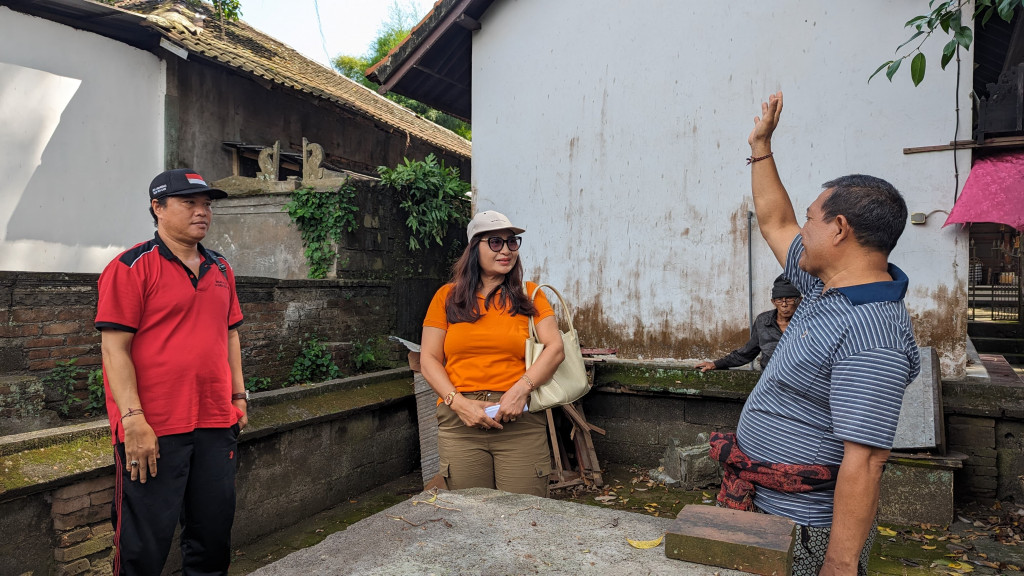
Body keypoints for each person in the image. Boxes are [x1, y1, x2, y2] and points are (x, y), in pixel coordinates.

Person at [718, 92, 921, 576]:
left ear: (840, 229)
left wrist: (840, 563)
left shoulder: (874, 332)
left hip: (805, 528)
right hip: (763, 503)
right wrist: (761, 145)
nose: (802, 228)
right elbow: (774, 221)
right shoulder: (823, 287)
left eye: (812, 218)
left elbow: (867, 460)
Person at [96, 168, 247, 575]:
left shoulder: (221, 269)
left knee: (213, 538)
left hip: (216, 423)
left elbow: (229, 335)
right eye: (189, 203)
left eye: (206, 204)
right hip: (154, 428)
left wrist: (238, 396)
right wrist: (133, 420)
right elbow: (114, 348)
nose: (202, 212)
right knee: (143, 546)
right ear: (157, 207)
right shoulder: (131, 267)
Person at [420, 210, 565, 497]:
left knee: (524, 514)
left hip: (518, 421)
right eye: (496, 242)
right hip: (460, 423)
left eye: (512, 243)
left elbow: (555, 348)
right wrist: (459, 403)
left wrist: (521, 390)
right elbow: (428, 359)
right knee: (470, 517)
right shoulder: (446, 297)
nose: (507, 250)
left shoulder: (530, 295)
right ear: (475, 248)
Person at [696, 275, 801, 372]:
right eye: (779, 300)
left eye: (789, 299)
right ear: (773, 302)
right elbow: (747, 353)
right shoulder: (763, 321)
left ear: (799, 301)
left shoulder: (807, 321)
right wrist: (716, 364)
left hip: (800, 381)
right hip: (772, 382)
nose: (784, 304)